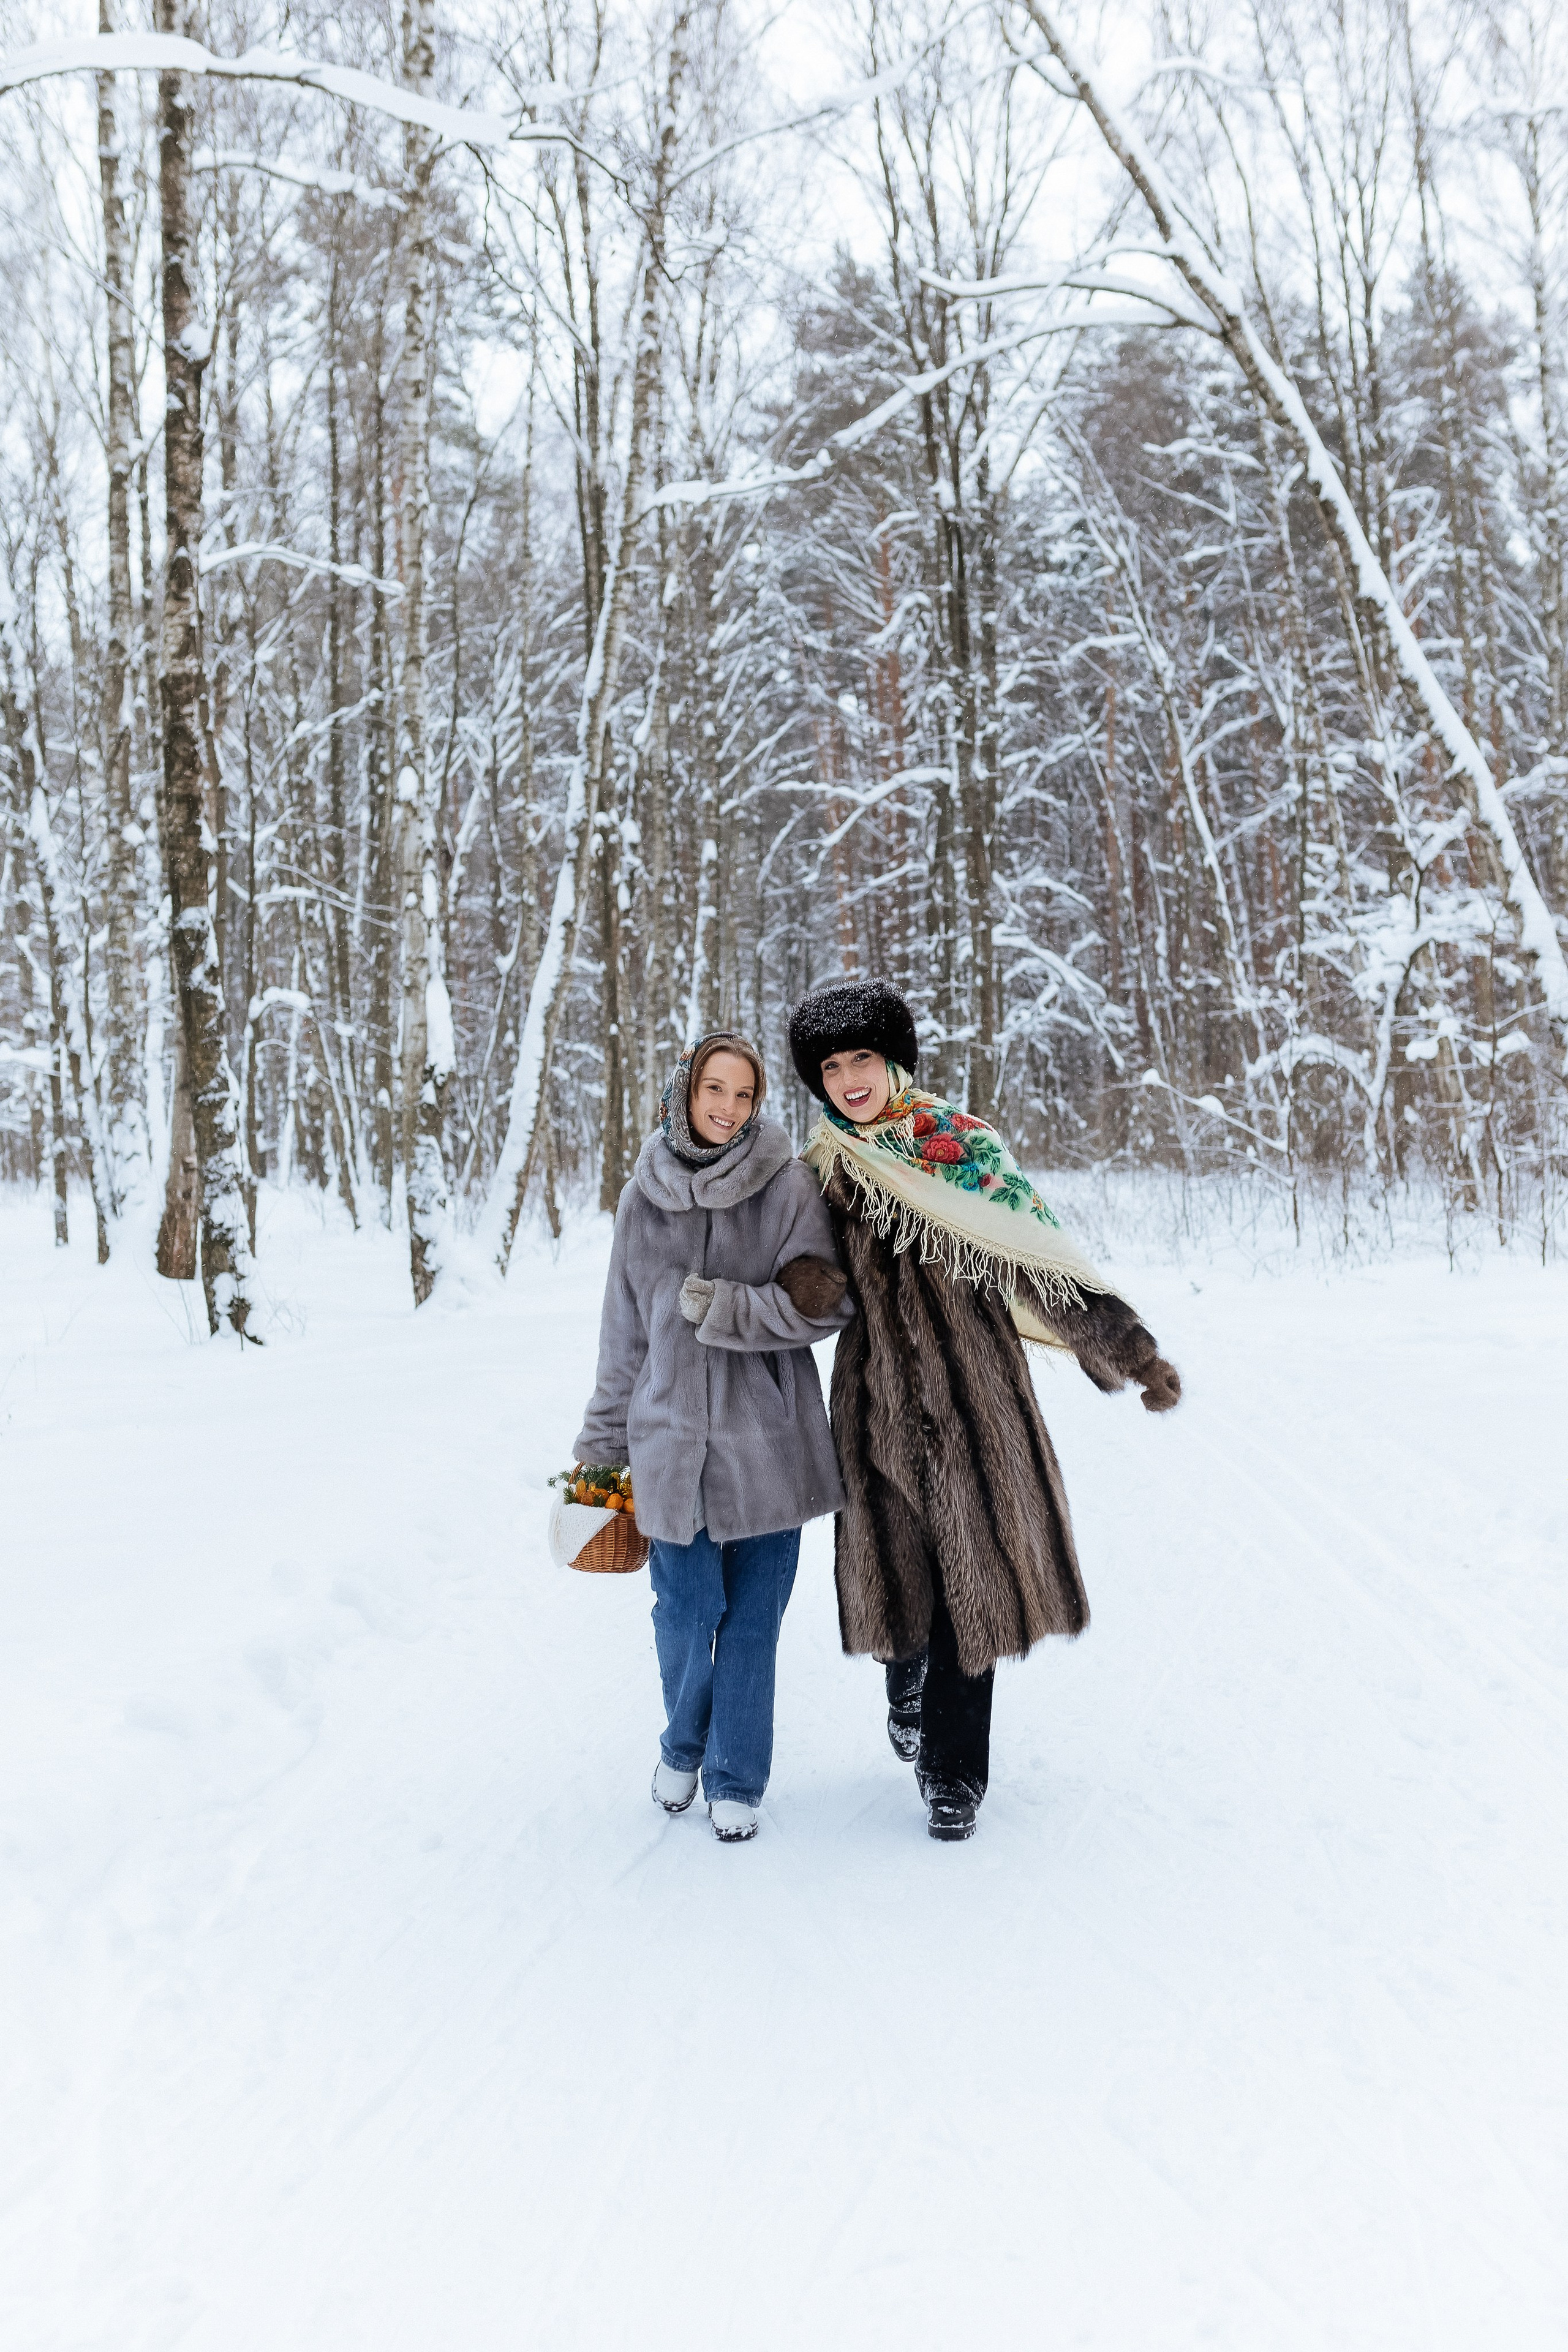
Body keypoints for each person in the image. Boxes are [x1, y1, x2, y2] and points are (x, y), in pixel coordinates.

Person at [786, 979, 1183, 1843]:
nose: (850, 1079)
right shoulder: (823, 1171)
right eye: (832, 1067)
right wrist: (794, 1288)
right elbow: (803, 1273)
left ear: (893, 1063)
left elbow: (1041, 1259)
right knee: (899, 1581)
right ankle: (904, 1678)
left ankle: (954, 1774)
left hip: (979, 1405)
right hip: (874, 1405)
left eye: (863, 1059)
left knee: (977, 1582)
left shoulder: (961, 1150)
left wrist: (1128, 1351)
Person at [575, 1032, 853, 1843]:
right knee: (687, 1613)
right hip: (669, 1446)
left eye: (744, 1095)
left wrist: (727, 1309)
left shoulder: (788, 1187)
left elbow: (826, 1305)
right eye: (714, 1090)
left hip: (770, 1448)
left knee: (752, 1628)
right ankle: (683, 1745)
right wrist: (599, 1451)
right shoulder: (643, 1199)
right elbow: (621, 1334)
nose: (728, 1109)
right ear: (684, 1091)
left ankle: (737, 1777)